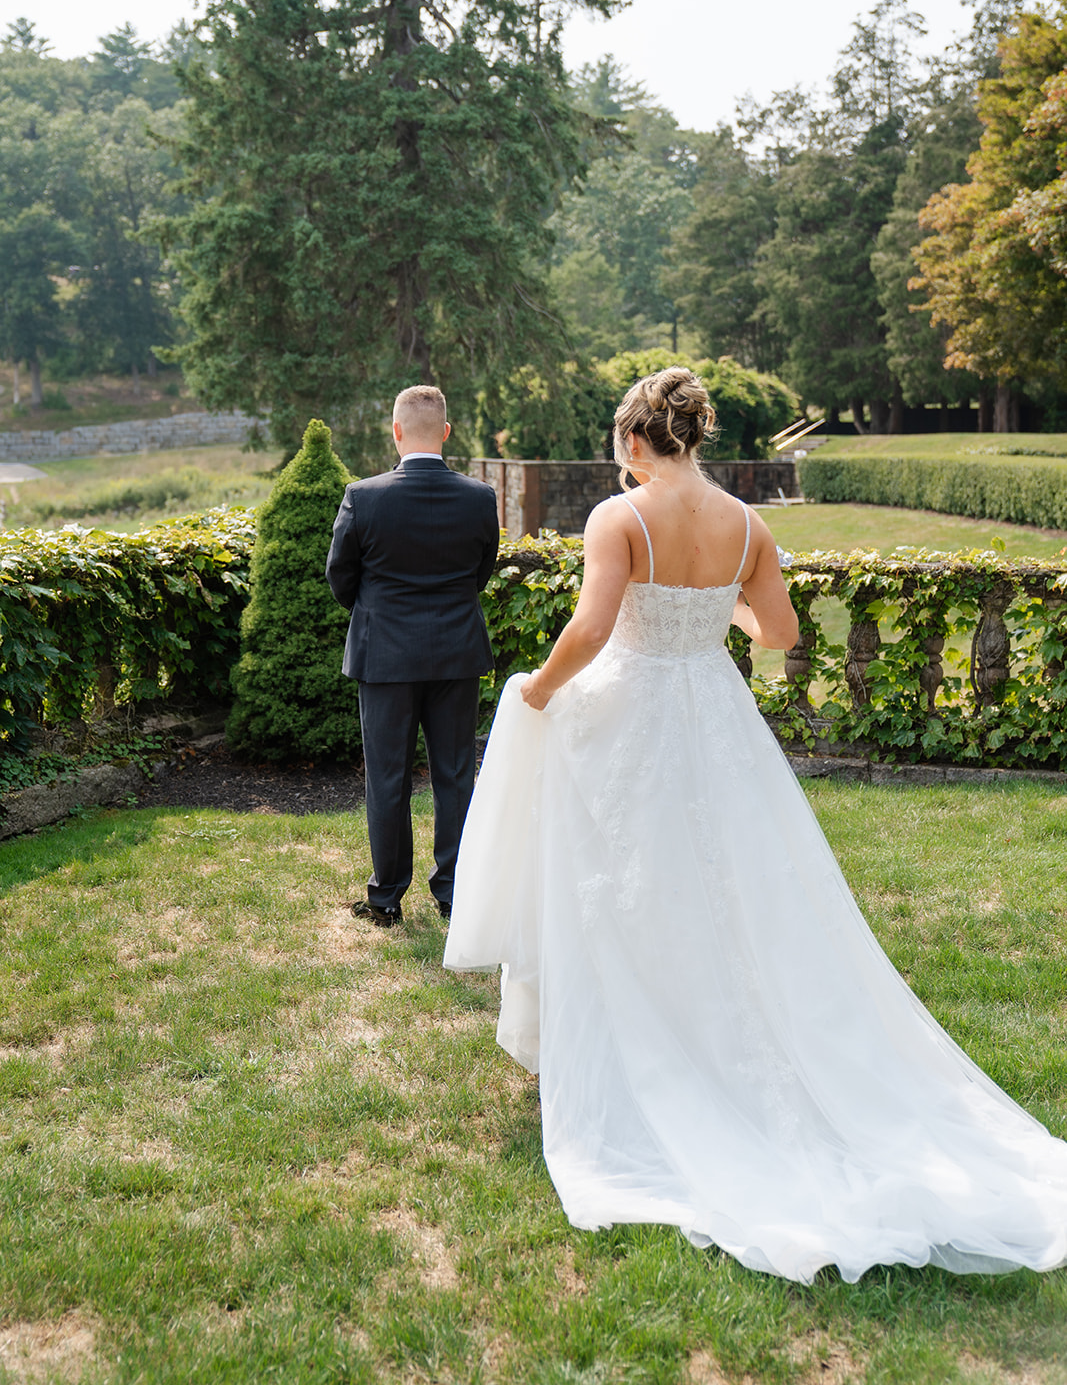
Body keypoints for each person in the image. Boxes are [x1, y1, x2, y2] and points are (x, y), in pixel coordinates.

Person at [444, 366, 1067, 1284]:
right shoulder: (748, 523)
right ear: (693, 436)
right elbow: (774, 634)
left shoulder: (619, 518)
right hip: (714, 711)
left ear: (630, 441)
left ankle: (643, 1043)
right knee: (733, 883)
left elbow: (590, 627)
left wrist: (534, 691)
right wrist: (711, 607)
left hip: (630, 715)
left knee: (623, 883)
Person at [326, 385, 499, 926]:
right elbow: (480, 573)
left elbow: (341, 577)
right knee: (455, 775)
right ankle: (454, 892)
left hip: (385, 657)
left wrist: (379, 613)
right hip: (455, 653)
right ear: (445, 433)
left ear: (396, 432)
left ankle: (385, 899)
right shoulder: (479, 497)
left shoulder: (364, 495)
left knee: (388, 776)